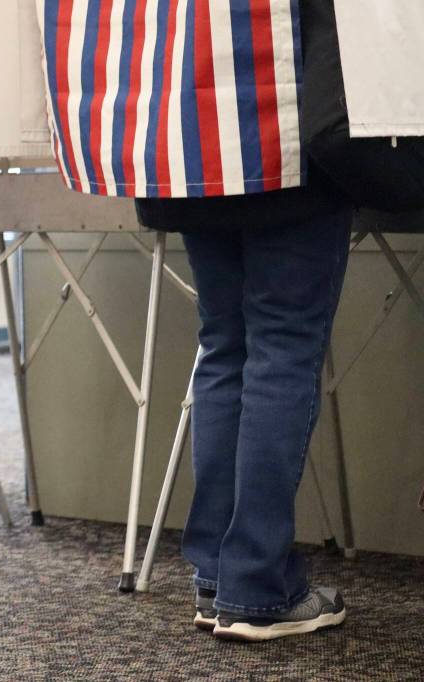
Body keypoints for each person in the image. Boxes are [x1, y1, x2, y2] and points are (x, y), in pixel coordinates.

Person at [135, 0, 353, 643]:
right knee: (281, 349)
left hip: (192, 142)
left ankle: (216, 577)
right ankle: (257, 588)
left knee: (226, 347)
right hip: (287, 132)